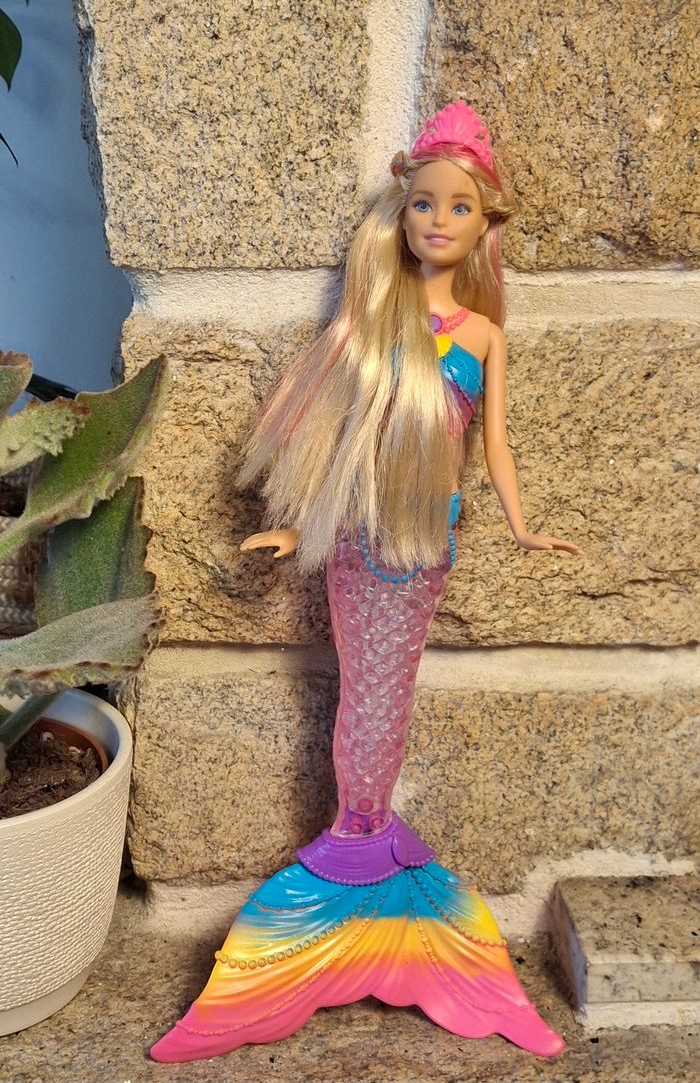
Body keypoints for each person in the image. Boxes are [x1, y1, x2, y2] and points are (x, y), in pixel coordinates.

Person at [150, 101, 581, 1065]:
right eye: (424, 203)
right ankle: (360, 840)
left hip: (424, 550)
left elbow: (495, 446)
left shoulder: (483, 334)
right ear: (403, 211)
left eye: (458, 207)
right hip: (358, 540)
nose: (438, 220)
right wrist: (297, 522)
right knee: (362, 693)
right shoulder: (373, 321)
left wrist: (523, 525)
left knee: (388, 692)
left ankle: (365, 849)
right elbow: (335, 436)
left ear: (484, 222)